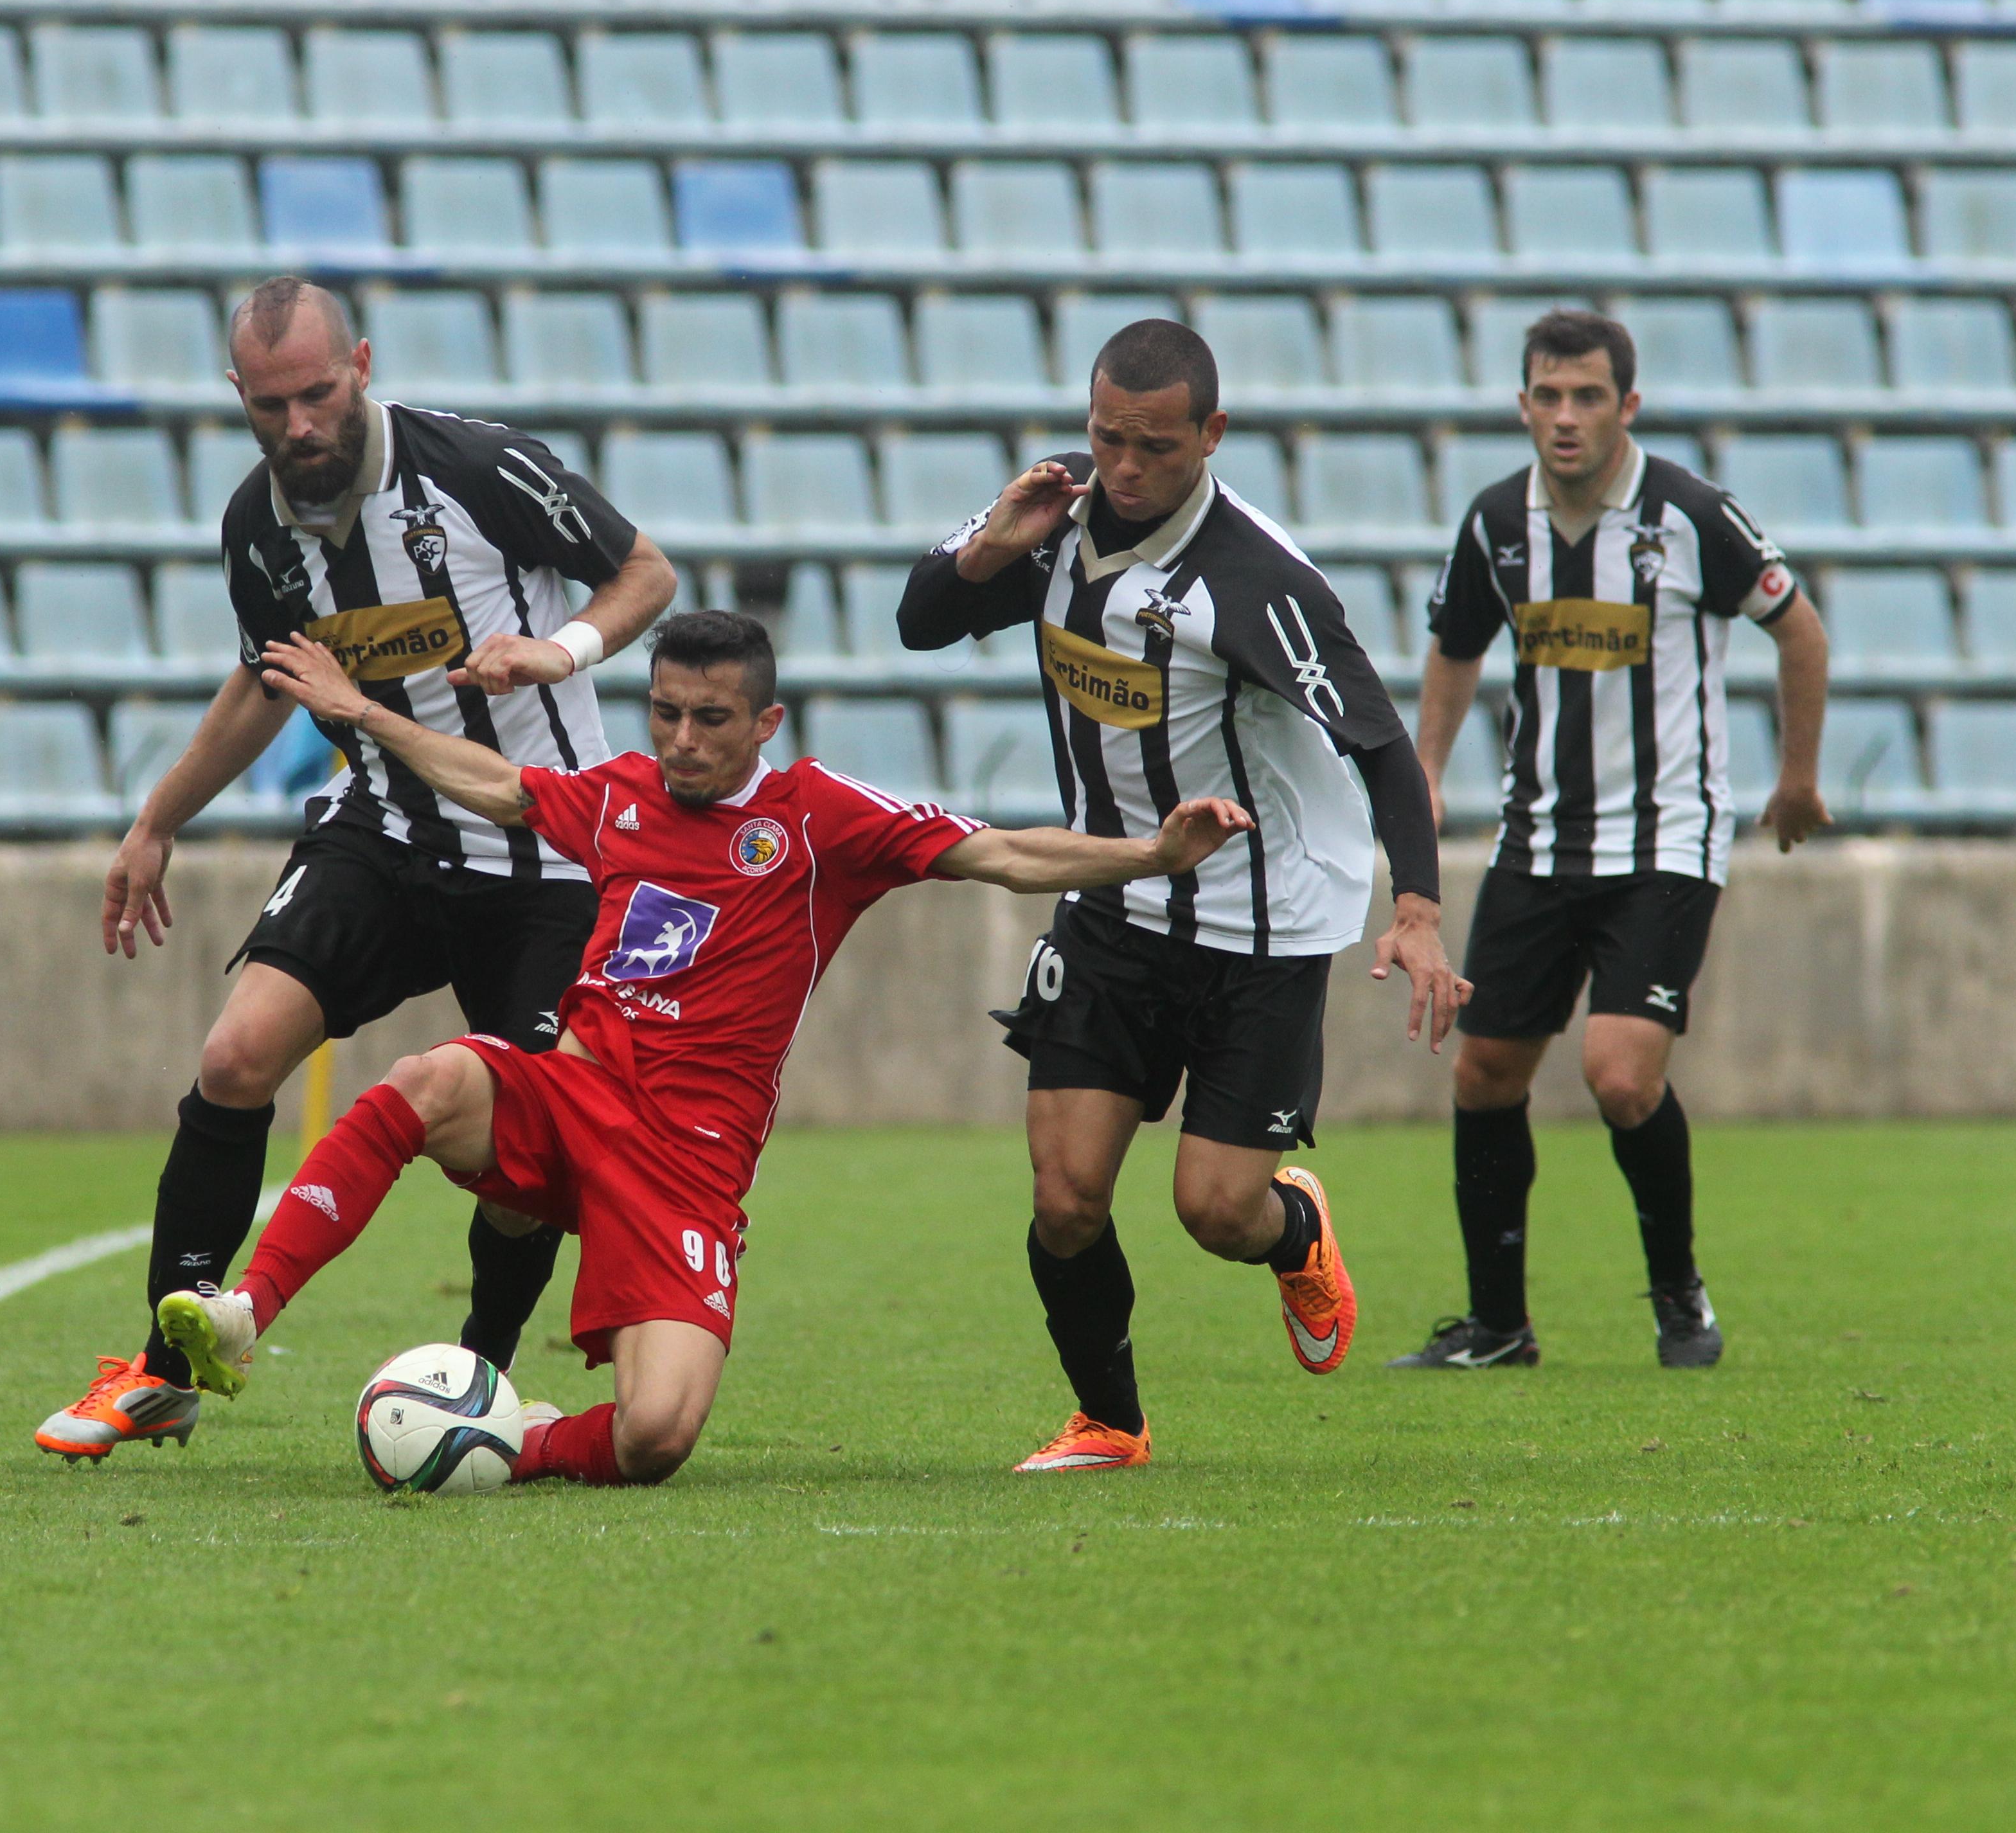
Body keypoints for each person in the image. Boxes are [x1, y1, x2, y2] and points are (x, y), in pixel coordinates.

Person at [154, 611, 1251, 1487]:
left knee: (657, 1438)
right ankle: (248, 1311)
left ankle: (509, 1441)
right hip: (574, 1089)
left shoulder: (819, 820)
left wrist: (1152, 853)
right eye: (667, 712)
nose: (682, 740)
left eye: (711, 720)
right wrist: (360, 713)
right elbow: (492, 780)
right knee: (427, 1078)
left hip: (686, 1162)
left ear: (765, 724)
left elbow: (1006, 851)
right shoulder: (621, 794)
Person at [37, 278, 677, 1461]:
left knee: (520, 1159)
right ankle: (168, 1369)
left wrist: (560, 648)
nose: (301, 427)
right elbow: (262, 681)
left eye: (320, 395)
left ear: (363, 366)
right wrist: (157, 820)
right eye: (272, 405)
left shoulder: (479, 470)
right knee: (235, 1057)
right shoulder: (255, 528)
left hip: (551, 857)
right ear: (240, 396)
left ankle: (480, 1374)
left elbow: (647, 573)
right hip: (385, 836)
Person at [897, 317, 1468, 1474]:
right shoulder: (1052, 518)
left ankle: (1292, 1225)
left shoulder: (1259, 580)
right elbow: (919, 625)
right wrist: (986, 553)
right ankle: (1110, 1422)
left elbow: (1382, 748)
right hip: (1112, 901)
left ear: (1211, 434)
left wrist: (1415, 912)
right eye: (1107, 436)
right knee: (1065, 1197)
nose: (1122, 468)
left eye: (1153, 446)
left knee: (1214, 1211)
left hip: (1258, 929)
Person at [1389, 308, 1830, 1373]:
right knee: (1485, 1072)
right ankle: (1499, 1328)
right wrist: (1429, 771)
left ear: (1627, 406)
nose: (1567, 417)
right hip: (1538, 841)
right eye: (1548, 395)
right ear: (1524, 405)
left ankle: (1680, 1297)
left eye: (1589, 397)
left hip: (1666, 840)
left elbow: (1801, 632)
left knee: (1620, 1075)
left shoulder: (1690, 517)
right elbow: (1453, 649)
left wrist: (1798, 781)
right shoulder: (1498, 524)